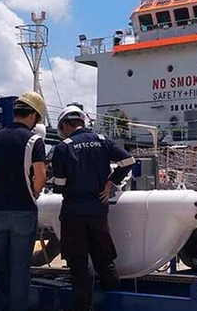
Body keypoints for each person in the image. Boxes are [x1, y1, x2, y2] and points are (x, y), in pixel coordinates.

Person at [52, 105, 136, 311]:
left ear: (64, 125)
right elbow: (128, 160)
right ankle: (115, 305)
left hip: (73, 213)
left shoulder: (63, 148)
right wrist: (110, 183)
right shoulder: (102, 140)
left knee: (79, 266)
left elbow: (59, 187)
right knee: (105, 262)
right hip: (99, 210)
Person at [0, 91, 48, 311]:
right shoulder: (34, 141)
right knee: (19, 269)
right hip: (23, 211)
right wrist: (32, 193)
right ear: (33, 116)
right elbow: (41, 177)